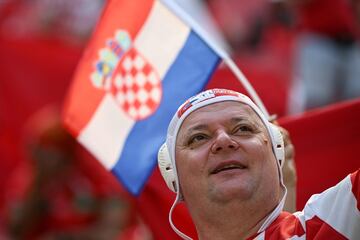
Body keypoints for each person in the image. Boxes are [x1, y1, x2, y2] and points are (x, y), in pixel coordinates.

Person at [157, 88, 359, 239]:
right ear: (174, 177)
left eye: (243, 128)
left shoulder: (338, 219)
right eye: (199, 137)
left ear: (277, 153)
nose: (223, 141)